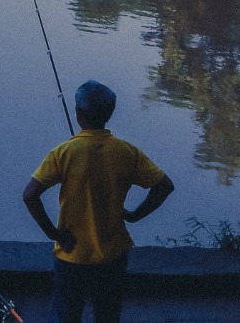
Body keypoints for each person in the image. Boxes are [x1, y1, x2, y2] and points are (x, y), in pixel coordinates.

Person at [21, 80, 175, 323]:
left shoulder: (64, 152)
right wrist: (134, 215)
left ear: (79, 114)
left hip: (72, 254)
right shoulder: (127, 152)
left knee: (65, 315)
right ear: (109, 114)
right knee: (108, 316)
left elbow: (29, 195)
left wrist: (55, 234)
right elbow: (164, 186)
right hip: (113, 254)